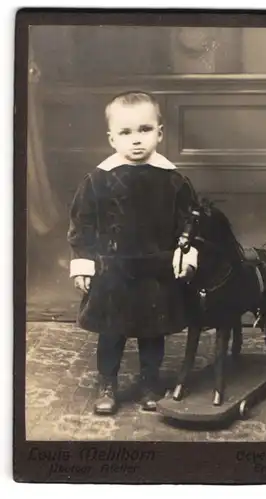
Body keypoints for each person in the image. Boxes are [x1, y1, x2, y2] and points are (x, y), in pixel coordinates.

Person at [67, 91, 198, 416]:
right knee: (111, 331)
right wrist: (83, 263)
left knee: (152, 331)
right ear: (112, 138)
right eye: (126, 133)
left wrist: (186, 252)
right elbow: (81, 224)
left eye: (144, 129)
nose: (136, 140)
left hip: (156, 270)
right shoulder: (98, 180)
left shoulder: (174, 181)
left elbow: (190, 222)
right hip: (112, 271)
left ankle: (150, 383)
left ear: (160, 133)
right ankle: (107, 383)